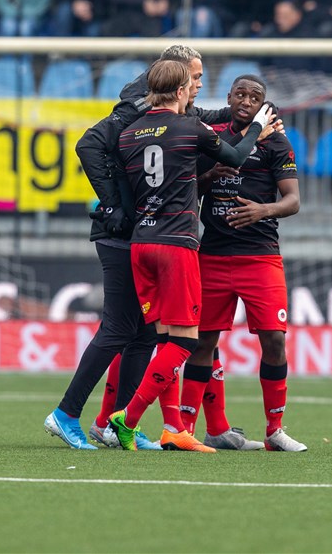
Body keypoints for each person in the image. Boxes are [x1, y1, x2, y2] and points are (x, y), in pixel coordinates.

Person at [106, 61, 275, 451]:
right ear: (181, 91)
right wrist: (256, 130)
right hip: (175, 243)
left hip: (140, 244)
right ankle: (126, 418)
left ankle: (173, 428)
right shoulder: (189, 127)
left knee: (164, 339)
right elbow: (233, 156)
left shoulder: (130, 133)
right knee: (185, 343)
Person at [178, 74, 306, 452]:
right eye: (241, 94)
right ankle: (185, 427)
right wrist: (210, 175)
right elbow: (188, 188)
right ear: (230, 97)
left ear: (263, 104)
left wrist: (263, 210)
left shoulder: (276, 142)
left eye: (255, 96)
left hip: (260, 256)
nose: (247, 100)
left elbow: (293, 200)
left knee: (274, 340)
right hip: (213, 254)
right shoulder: (211, 137)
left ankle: (274, 430)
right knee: (201, 342)